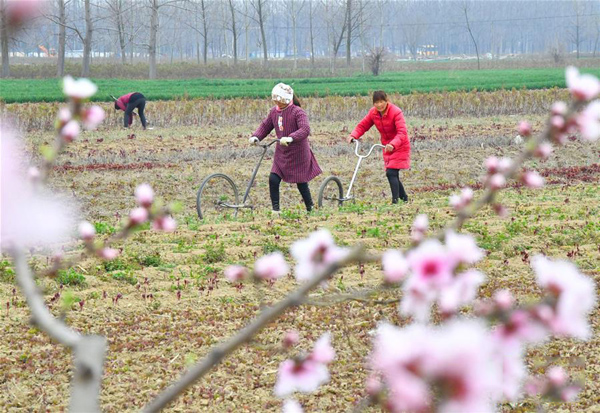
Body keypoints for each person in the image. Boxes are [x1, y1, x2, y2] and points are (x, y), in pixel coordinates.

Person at [250, 83, 321, 214]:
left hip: (298, 153)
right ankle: (275, 210)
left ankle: (310, 208)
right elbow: (265, 126)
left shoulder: (298, 112)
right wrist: (256, 137)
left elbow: (305, 129)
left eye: (279, 99)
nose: (277, 101)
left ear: (286, 99)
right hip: (282, 153)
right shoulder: (274, 112)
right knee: (273, 179)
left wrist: (291, 138)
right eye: (275, 99)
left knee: (301, 182)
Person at [347, 90, 410, 204]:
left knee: (391, 172)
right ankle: (404, 198)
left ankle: (395, 202)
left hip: (399, 144)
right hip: (386, 145)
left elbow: (402, 132)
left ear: (386, 101)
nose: (379, 105)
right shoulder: (373, 113)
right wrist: (353, 135)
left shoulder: (396, 112)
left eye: (381, 102)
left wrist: (393, 144)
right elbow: (363, 125)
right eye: (376, 102)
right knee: (392, 173)